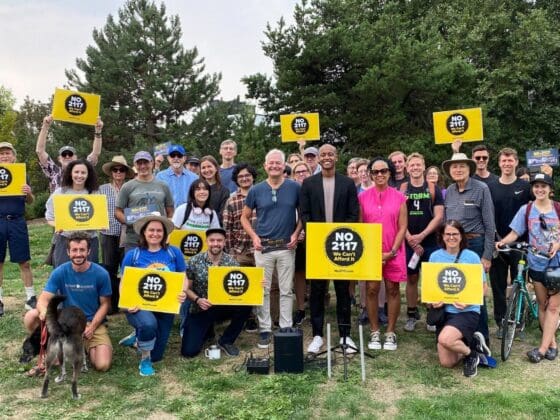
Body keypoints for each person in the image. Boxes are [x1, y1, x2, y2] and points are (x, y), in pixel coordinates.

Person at [300, 144, 360, 354]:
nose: (326, 157)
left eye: (330, 154)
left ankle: (345, 334)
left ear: (336, 157)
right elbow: (304, 214)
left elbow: (354, 214)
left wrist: (338, 234)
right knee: (317, 291)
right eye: (323, 154)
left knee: (343, 291)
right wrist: (318, 234)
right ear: (318, 158)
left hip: (341, 245)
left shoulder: (347, 183)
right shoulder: (308, 183)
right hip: (317, 245)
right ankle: (318, 335)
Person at [24, 232, 113, 372]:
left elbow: (105, 304)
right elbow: (43, 299)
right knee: (31, 315)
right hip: (65, 323)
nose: (78, 254)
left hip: (91, 323)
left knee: (102, 365)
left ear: (89, 251)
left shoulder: (101, 274)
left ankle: (80, 347)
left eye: (82, 250)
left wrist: (93, 326)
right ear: (68, 252)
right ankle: (51, 348)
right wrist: (44, 312)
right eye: (74, 250)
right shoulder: (60, 272)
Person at [496, 173, 560, 363]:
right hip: (536, 262)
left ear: (550, 189)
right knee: (543, 305)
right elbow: (515, 232)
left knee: (554, 306)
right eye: (536, 186)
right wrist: (502, 243)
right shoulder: (527, 210)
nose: (540, 190)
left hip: (556, 263)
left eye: (544, 186)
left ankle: (540, 350)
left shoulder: (557, 208)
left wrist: (558, 244)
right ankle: (553, 344)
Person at [241, 149, 302, 348]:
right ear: (265, 166)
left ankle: (285, 326)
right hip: (263, 247)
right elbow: (244, 217)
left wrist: (296, 233)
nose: (275, 166)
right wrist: (254, 237)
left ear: (284, 166)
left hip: (286, 245)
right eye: (271, 163)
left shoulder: (294, 187)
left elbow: (303, 214)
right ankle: (265, 328)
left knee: (286, 289)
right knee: (263, 289)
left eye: (278, 163)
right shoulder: (256, 190)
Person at [119, 215, 187, 376]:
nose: (155, 234)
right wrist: (127, 303)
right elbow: (124, 283)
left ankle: (138, 337)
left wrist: (182, 291)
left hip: (165, 306)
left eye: (159, 230)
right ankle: (145, 360)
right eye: (151, 230)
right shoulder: (132, 255)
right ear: (143, 232)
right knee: (148, 325)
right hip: (138, 305)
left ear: (164, 233)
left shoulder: (173, 253)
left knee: (157, 355)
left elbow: (183, 276)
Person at [442, 152, 495, 343]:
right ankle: (461, 336)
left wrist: (487, 255)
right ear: (450, 170)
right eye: (454, 166)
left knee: (476, 293)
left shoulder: (482, 188)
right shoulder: (449, 190)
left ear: (469, 169)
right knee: (458, 288)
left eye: (462, 166)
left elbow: (490, 224)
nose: (458, 169)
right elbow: (445, 221)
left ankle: (482, 340)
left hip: (475, 244)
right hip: (453, 245)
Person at [359, 157, 407, 350]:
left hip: (394, 250)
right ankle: (374, 330)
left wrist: (392, 251)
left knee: (393, 289)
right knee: (371, 290)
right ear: (370, 174)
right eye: (376, 171)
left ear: (389, 173)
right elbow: (360, 227)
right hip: (371, 253)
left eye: (383, 171)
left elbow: (403, 227)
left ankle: (390, 332)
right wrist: (372, 253)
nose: (380, 174)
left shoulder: (399, 197)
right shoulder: (362, 197)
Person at [429, 220, 488, 378]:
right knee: (447, 363)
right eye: (447, 234)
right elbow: (430, 288)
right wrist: (433, 300)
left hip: (466, 310)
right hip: (444, 312)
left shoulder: (472, 257)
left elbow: (484, 288)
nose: (451, 237)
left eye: (455, 234)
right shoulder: (435, 257)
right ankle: (471, 344)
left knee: (445, 339)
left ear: (461, 236)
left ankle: (471, 354)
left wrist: (469, 301)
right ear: (442, 236)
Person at [181, 227, 252, 357]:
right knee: (188, 352)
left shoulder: (231, 262)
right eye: (212, 240)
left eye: (219, 240)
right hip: (200, 307)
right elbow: (186, 289)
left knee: (246, 304)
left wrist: (258, 284)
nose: (215, 243)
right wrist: (198, 299)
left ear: (224, 242)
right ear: (206, 242)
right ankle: (207, 330)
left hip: (223, 307)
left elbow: (242, 287)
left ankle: (226, 341)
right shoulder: (194, 261)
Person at [488, 148, 531, 337]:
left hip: (520, 245)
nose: (507, 164)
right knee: (497, 285)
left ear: (516, 162)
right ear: (499, 163)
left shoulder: (526, 187)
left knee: (518, 284)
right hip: (497, 243)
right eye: (503, 161)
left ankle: (518, 322)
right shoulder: (491, 186)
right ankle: (501, 322)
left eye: (510, 160)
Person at [401, 153, 444, 332]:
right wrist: (410, 237)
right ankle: (411, 314)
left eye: (418, 165)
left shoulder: (433, 188)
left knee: (430, 280)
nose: (415, 168)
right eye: (412, 165)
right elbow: (399, 216)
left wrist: (422, 235)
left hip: (430, 242)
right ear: (407, 167)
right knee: (412, 278)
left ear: (424, 166)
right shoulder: (403, 188)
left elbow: (439, 216)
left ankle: (431, 316)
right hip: (409, 241)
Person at [0, 142, 36, 316]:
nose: (4, 156)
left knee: (24, 262)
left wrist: (28, 192)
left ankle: (30, 297)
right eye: (1, 154)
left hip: (17, 221)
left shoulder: (21, 174)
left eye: (7, 153)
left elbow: (30, 201)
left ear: (13, 156)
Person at [223, 163, 259, 332]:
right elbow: (227, 227)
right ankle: (249, 318)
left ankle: (266, 317)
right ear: (236, 180)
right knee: (244, 285)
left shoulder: (262, 193)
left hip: (261, 248)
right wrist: (230, 251)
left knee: (263, 284)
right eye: (240, 177)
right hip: (240, 249)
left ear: (253, 176)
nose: (244, 178)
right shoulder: (231, 200)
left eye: (247, 175)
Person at [115, 151, 174, 253]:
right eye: (139, 163)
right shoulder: (127, 187)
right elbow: (117, 212)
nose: (142, 166)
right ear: (135, 165)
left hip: (158, 240)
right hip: (134, 240)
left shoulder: (163, 186)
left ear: (152, 163)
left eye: (145, 162)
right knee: (133, 269)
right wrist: (130, 220)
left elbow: (170, 211)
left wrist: (167, 231)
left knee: (157, 268)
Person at [45, 159, 100, 267]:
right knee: (64, 274)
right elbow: (49, 217)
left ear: (88, 175)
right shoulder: (60, 193)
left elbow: (100, 217)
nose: (79, 175)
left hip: (90, 240)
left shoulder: (95, 193)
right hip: (65, 240)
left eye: (83, 172)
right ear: (70, 173)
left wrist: (101, 225)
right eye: (76, 172)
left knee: (89, 275)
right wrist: (57, 225)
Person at [99, 155, 134, 314]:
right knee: (109, 269)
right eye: (115, 169)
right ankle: (111, 303)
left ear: (126, 172)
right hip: (108, 233)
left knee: (127, 268)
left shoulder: (132, 187)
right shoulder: (102, 189)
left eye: (121, 169)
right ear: (111, 172)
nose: (118, 172)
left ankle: (127, 301)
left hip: (128, 233)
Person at [36, 115, 103, 193]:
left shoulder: (84, 168)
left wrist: (98, 131)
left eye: (70, 154)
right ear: (59, 159)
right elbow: (40, 151)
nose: (67, 156)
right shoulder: (54, 172)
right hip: (58, 205)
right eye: (64, 154)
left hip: (79, 204)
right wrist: (45, 126)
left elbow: (95, 153)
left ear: (76, 158)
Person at [291, 161, 313, 325]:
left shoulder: (315, 188)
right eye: (297, 172)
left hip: (316, 235)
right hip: (296, 237)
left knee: (316, 275)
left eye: (304, 171)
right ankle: (300, 308)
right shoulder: (291, 191)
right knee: (299, 274)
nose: (301, 174)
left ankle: (315, 306)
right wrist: (297, 232)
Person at [155, 144, 198, 208]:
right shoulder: (160, 176)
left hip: (188, 215)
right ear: (168, 158)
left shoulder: (194, 178)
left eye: (179, 155)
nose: (176, 158)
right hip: (168, 216)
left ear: (184, 158)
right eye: (172, 155)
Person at [200, 155, 230, 223]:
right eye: (203, 168)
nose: (207, 170)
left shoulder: (224, 191)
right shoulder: (195, 189)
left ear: (216, 168)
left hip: (215, 229)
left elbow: (222, 214)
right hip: (197, 227)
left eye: (209, 166)